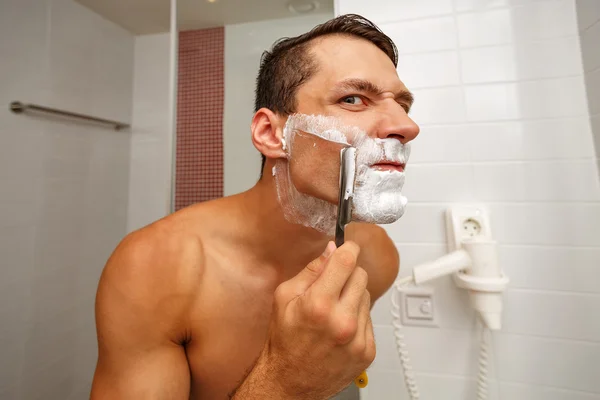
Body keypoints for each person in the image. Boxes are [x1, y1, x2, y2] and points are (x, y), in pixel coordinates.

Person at [90, 13, 420, 400]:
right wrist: (285, 382)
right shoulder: (157, 265)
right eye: (353, 99)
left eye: (403, 104)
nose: (406, 126)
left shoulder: (377, 257)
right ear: (271, 133)